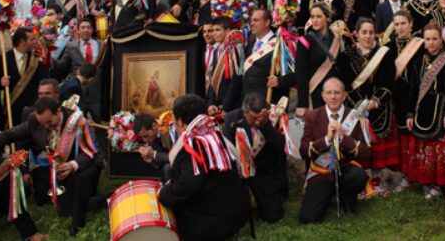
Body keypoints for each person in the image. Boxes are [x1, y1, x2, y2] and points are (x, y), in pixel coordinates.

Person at [0, 97, 102, 235]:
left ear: (58, 111)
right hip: (58, 169)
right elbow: (10, 134)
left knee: (79, 181)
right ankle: (103, 200)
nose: (46, 126)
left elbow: (89, 151)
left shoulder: (76, 120)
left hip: (85, 164)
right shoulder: (35, 121)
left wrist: (72, 165)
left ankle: (77, 224)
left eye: (49, 122)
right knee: (63, 209)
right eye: (42, 123)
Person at [158, 94, 247, 240]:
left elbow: (189, 183)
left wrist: (165, 194)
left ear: (179, 121)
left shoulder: (194, 144)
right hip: (233, 211)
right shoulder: (216, 136)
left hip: (209, 223)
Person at [298, 78, 371, 223]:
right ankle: (327, 195)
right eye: (329, 93)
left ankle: (347, 199)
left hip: (346, 169)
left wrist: (343, 138)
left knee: (359, 176)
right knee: (308, 218)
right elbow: (304, 151)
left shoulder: (355, 116)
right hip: (322, 171)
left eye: (337, 93)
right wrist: (326, 139)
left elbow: (366, 153)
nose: (333, 97)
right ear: (323, 95)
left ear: (344, 96)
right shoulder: (312, 116)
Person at [335, 18, 395, 192]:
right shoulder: (346, 56)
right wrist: (358, 105)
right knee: (357, 144)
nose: (368, 36)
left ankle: (376, 179)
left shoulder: (384, 53)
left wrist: (375, 101)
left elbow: (388, 82)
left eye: (371, 32)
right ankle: (361, 180)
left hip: (377, 107)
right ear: (356, 34)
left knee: (376, 146)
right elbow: (344, 83)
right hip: (355, 106)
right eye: (364, 32)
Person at [406, 23, 445, 199]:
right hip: (422, 108)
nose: (431, 43)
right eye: (428, 39)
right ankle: (428, 183)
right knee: (425, 150)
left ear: (441, 39)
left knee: (441, 150)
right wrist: (410, 113)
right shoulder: (418, 62)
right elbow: (413, 88)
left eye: (435, 39)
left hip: (441, 108)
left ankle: (443, 184)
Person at [223, 93, 287, 223]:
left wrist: (265, 126)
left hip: (264, 172)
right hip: (240, 171)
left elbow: (281, 145)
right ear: (244, 111)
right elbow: (227, 148)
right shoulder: (232, 118)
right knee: (236, 216)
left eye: (260, 118)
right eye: (253, 118)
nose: (257, 121)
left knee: (273, 216)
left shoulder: (273, 117)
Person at [386, 10, 425, 191]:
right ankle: (406, 176)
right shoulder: (388, 47)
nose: (400, 28)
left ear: (411, 24)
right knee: (404, 139)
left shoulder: (421, 45)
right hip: (399, 98)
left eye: (403, 23)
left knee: (421, 138)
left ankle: (423, 177)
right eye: (397, 24)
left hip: (419, 95)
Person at [295, 4, 341, 115]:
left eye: (319, 17)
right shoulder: (305, 41)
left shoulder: (338, 39)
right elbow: (301, 74)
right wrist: (302, 103)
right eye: (312, 17)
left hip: (335, 95)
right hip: (315, 94)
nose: (314, 20)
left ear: (328, 18)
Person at [241, 10, 294, 103]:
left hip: (269, 102)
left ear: (267, 22)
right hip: (249, 102)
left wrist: (279, 81)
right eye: (251, 21)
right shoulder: (249, 44)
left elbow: (293, 74)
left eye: (256, 20)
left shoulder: (280, 44)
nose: (252, 24)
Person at [133, 113, 172, 181]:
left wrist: (154, 154)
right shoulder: (151, 140)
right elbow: (161, 164)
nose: (145, 140)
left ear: (154, 125)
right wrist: (151, 160)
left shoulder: (170, 129)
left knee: (168, 168)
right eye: (141, 137)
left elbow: (177, 157)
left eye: (146, 136)